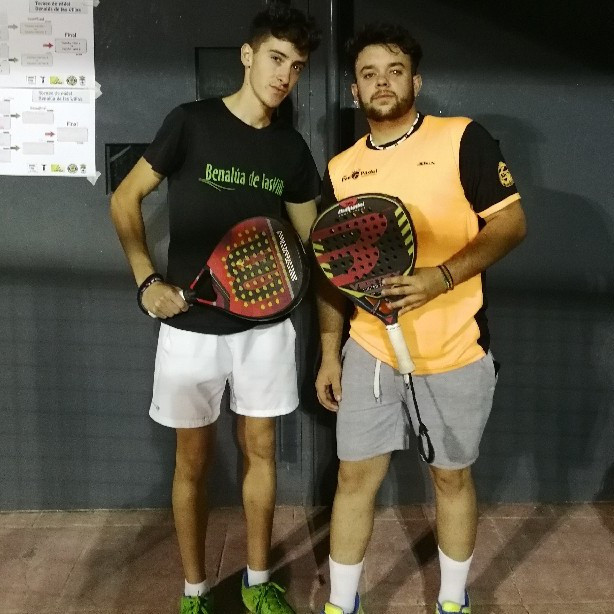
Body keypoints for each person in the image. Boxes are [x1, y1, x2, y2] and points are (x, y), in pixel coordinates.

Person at [110, 5, 321, 614]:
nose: (284, 75)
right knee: (192, 462)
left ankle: (257, 582)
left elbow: (310, 241)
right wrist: (146, 280)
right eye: (276, 58)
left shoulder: (290, 148)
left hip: (265, 330)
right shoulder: (191, 122)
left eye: (297, 67)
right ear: (248, 56)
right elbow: (125, 199)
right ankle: (194, 593)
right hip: (190, 326)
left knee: (261, 451)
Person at [315, 23, 526, 614]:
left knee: (451, 479)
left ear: (416, 81)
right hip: (371, 350)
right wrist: (330, 353)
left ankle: (452, 601)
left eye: (395, 70)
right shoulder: (341, 168)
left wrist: (442, 278)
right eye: (368, 74)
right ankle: (341, 605)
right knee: (354, 479)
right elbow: (332, 272)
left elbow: (510, 224)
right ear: (354, 90)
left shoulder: (462, 139)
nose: (382, 82)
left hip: (455, 348)